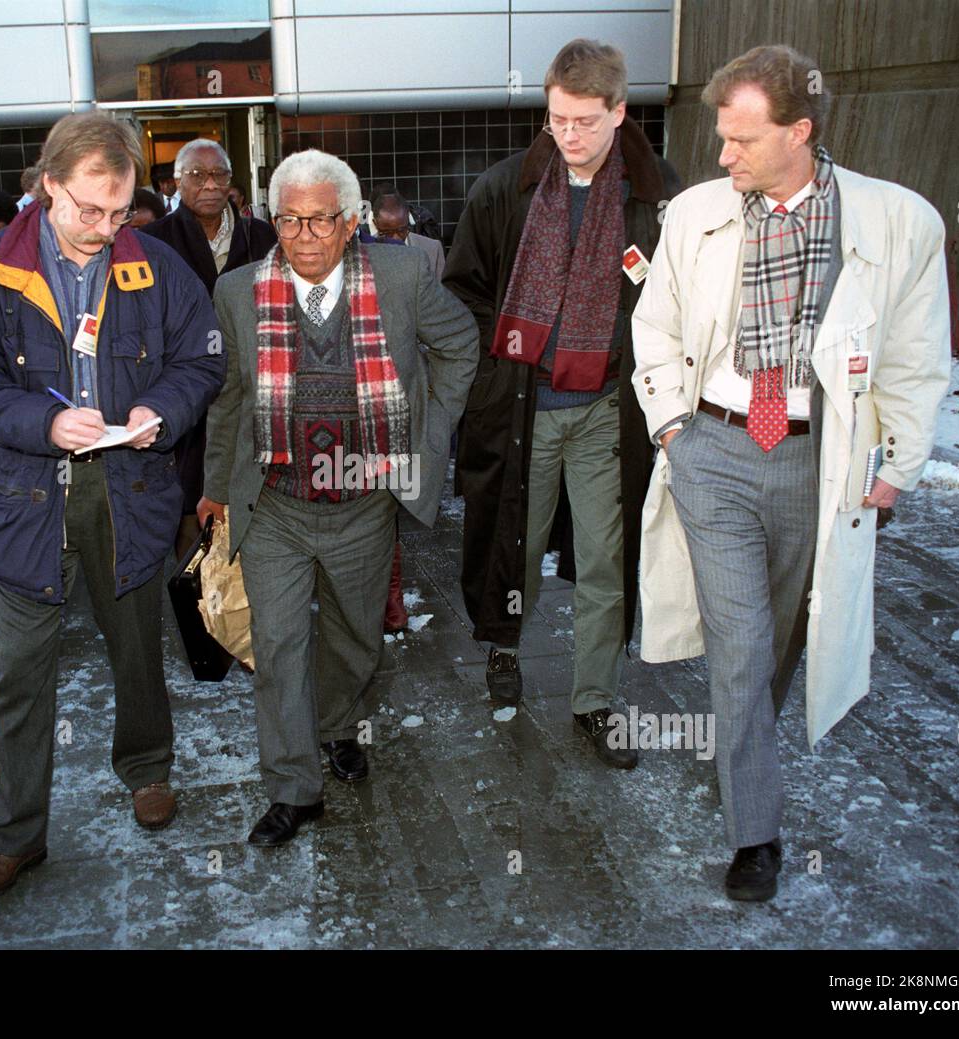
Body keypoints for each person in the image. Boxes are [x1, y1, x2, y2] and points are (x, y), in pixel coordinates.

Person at [631, 45, 951, 901]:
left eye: (741, 140)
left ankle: (743, 752)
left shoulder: (897, 222)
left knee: (782, 638)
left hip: (822, 458)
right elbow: (654, 322)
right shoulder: (695, 213)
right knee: (739, 645)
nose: (723, 156)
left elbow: (917, 358)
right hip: (716, 451)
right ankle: (755, 832)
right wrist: (669, 424)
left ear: (799, 132)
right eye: (721, 138)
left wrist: (900, 462)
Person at [0, 112, 226, 897]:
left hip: (128, 491)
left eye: (121, 210)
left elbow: (202, 359)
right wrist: (44, 422)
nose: (106, 229)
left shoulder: (155, 265)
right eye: (88, 210)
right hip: (24, 496)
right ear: (46, 187)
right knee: (19, 670)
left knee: (136, 645)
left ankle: (146, 769)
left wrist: (160, 411)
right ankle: (15, 833)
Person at [200, 149, 479, 845]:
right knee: (279, 647)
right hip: (278, 507)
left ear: (350, 221)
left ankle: (337, 725)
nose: (304, 238)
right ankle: (293, 789)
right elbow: (232, 395)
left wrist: (431, 431)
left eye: (321, 221)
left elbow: (461, 345)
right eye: (289, 221)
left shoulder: (401, 275)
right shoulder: (238, 291)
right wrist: (212, 490)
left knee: (357, 643)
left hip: (363, 506)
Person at [444, 38, 681, 769]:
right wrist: (505, 356)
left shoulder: (661, 196)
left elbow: (679, 302)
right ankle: (505, 646)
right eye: (556, 120)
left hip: (611, 414)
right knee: (515, 541)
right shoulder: (506, 189)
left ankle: (594, 701)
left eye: (584, 120)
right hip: (523, 407)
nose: (569, 136)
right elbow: (461, 291)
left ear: (619, 110)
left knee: (608, 560)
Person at [145, 138, 280, 561]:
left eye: (219, 174)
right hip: (184, 389)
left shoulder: (261, 235)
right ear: (176, 184)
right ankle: (198, 599)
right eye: (197, 175)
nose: (209, 184)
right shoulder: (153, 241)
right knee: (190, 502)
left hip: (251, 386)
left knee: (252, 493)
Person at [370, 186, 446, 281]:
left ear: (408, 220)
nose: (396, 238)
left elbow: (441, 293)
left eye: (401, 230)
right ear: (375, 223)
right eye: (387, 232)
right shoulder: (363, 252)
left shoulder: (432, 249)